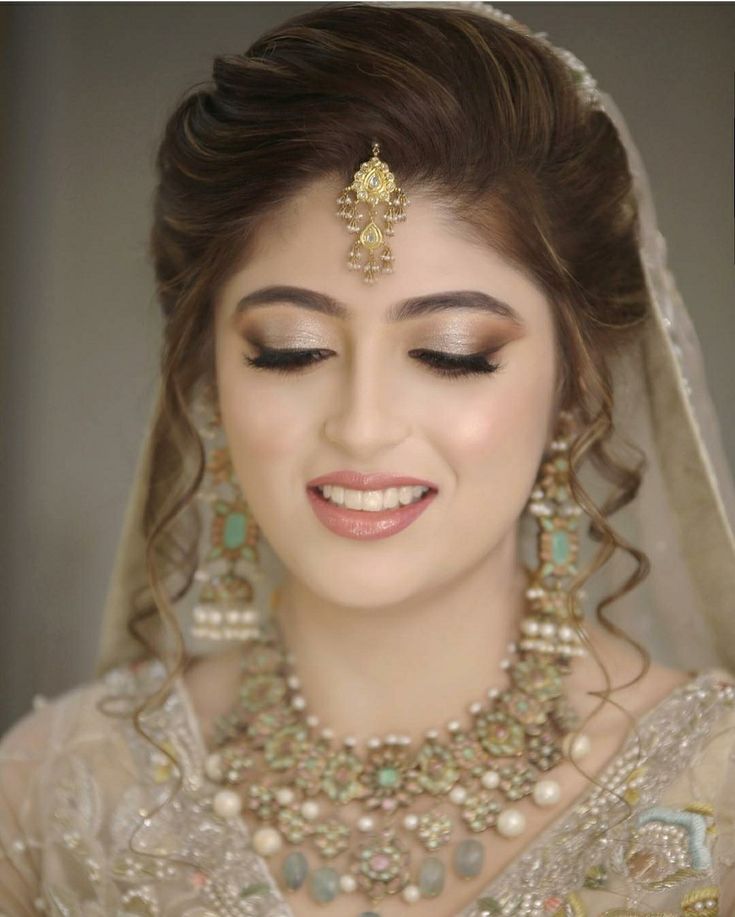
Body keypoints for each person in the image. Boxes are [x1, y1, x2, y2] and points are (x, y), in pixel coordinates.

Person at [1, 2, 734, 915]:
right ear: (207, 377)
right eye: (292, 349)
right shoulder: (56, 800)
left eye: (452, 353)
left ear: (575, 387)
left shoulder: (716, 795)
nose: (362, 425)